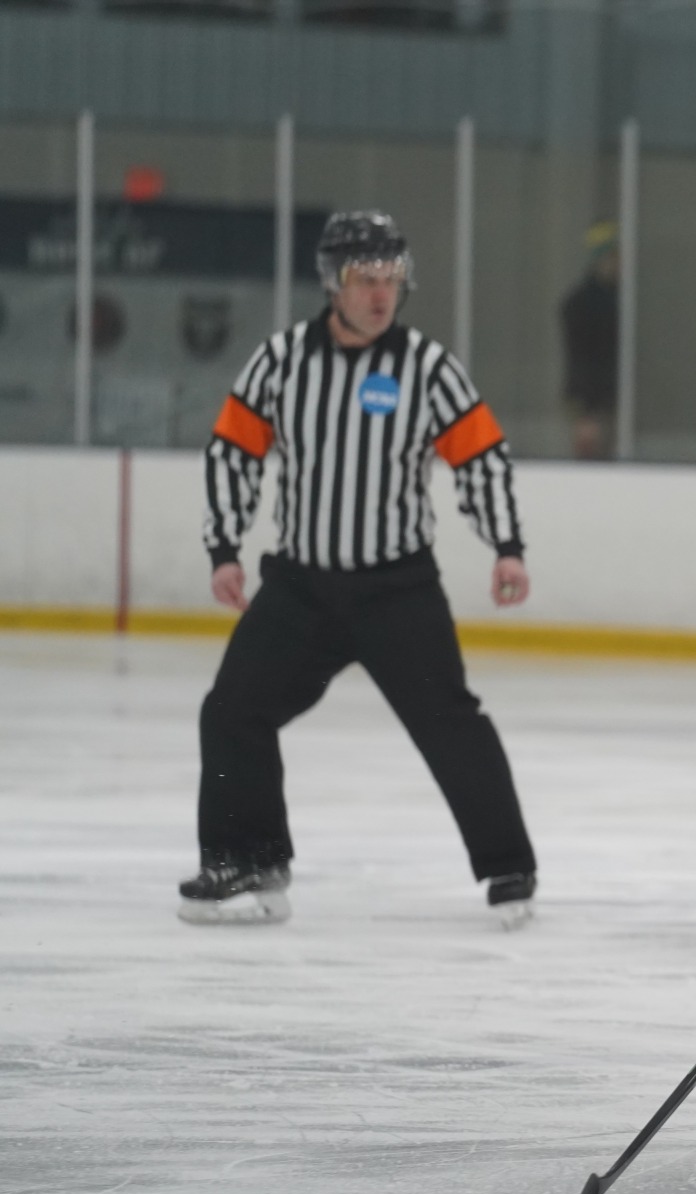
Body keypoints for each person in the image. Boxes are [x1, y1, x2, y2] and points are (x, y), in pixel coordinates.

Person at [180, 211, 539, 928]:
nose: (381, 294)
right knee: (231, 710)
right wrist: (224, 547)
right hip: (300, 589)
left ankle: (509, 868)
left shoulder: (427, 368)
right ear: (332, 283)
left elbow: (481, 457)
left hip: (396, 589)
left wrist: (506, 544)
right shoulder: (281, 360)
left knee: (451, 723)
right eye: (365, 279)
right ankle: (248, 857)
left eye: (391, 279)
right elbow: (232, 449)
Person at [560, 221, 618, 461]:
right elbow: (580, 357)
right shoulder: (582, 306)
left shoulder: (619, 301)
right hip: (593, 399)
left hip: (605, 398)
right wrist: (586, 409)